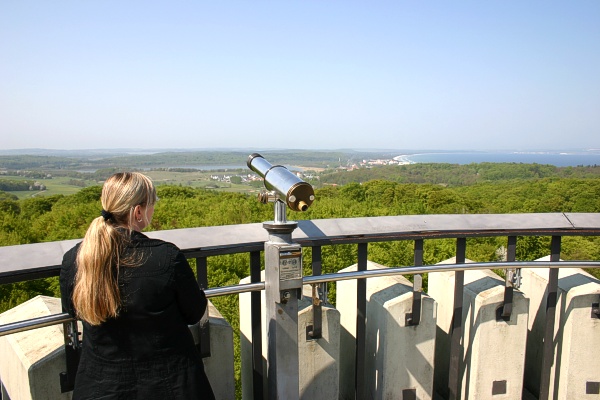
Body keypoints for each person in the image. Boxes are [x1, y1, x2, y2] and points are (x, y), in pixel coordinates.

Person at [60, 172, 215, 399]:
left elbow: (74, 310)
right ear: (138, 211)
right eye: (152, 203)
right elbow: (195, 313)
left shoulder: (76, 258)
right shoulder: (166, 257)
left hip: (99, 386)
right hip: (170, 384)